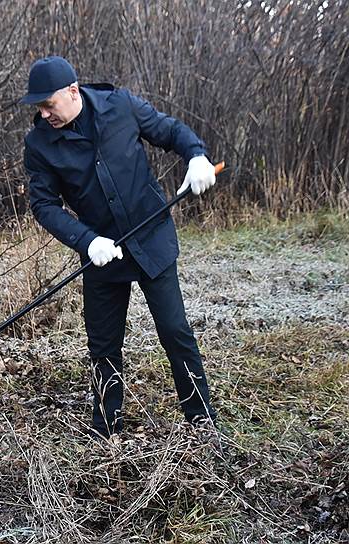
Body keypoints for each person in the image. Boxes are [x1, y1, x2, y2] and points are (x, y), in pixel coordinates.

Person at [21, 56, 218, 439]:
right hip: (102, 253)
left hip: (151, 239)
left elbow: (170, 131)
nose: (45, 114)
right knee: (104, 346)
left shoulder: (121, 106)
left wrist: (196, 155)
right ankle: (105, 432)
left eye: (49, 104)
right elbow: (43, 206)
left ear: (73, 91)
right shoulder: (39, 145)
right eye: (39, 107)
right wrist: (86, 239)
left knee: (175, 331)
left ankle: (202, 425)